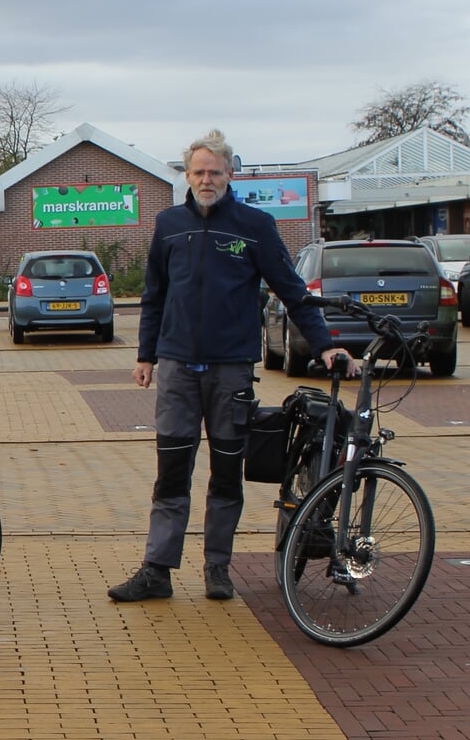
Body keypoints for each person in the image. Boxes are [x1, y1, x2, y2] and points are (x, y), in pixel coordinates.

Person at [109, 130, 348, 604]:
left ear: (230, 174)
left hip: (231, 371)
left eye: (214, 172)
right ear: (188, 175)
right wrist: (145, 355)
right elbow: (154, 296)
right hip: (177, 369)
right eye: (198, 172)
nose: (205, 180)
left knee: (225, 476)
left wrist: (324, 346)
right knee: (171, 473)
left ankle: (217, 567)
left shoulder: (254, 226)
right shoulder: (169, 225)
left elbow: (292, 290)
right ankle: (157, 570)